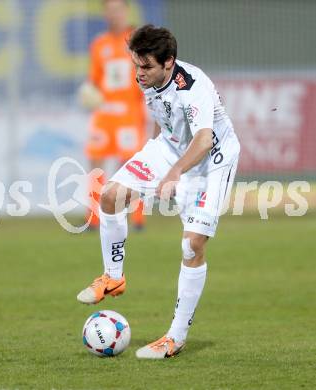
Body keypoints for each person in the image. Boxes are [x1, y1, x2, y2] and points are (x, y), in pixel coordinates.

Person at [77, 24, 240, 359]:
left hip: (210, 161)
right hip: (169, 148)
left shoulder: (192, 87)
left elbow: (204, 139)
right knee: (110, 196)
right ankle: (113, 277)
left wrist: (173, 173)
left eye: (146, 66)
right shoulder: (149, 78)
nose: (139, 73)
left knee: (191, 246)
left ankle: (174, 339)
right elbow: (162, 117)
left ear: (169, 62)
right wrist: (151, 156)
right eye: (136, 65)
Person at [80, 0, 146, 230]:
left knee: (131, 165)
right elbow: (95, 80)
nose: (114, 15)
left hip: (129, 113)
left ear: (126, 11)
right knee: (95, 161)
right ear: (104, 14)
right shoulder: (99, 44)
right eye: (109, 10)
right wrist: (89, 93)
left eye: (118, 10)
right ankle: (94, 217)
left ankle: (136, 218)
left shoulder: (138, 41)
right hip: (104, 114)